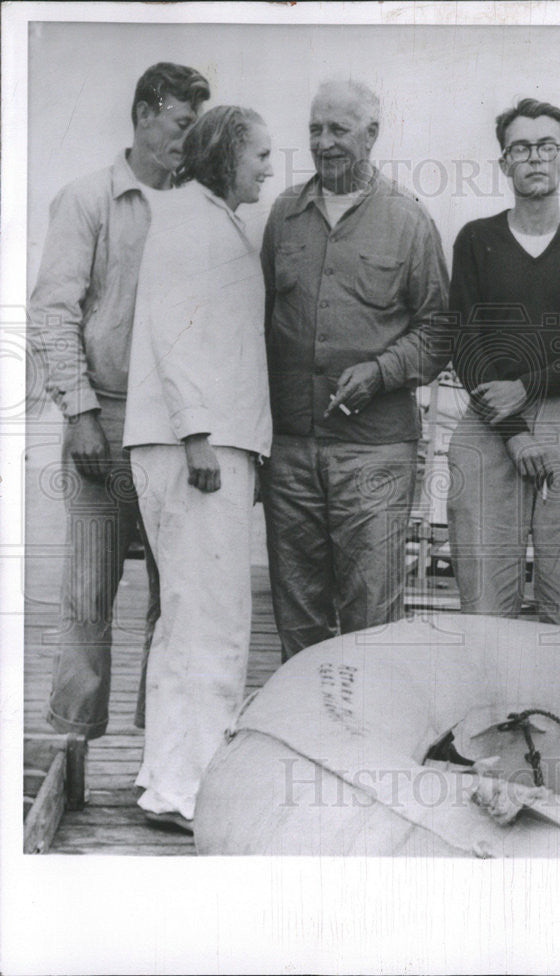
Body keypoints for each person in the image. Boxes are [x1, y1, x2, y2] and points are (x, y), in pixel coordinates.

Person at [29, 62, 210, 740]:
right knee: (87, 597)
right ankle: (71, 747)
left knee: (178, 599)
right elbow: (52, 312)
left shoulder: (200, 208)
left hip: (177, 430)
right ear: (142, 114)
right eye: (181, 125)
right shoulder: (85, 200)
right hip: (101, 419)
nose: (187, 144)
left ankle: (160, 756)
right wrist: (78, 414)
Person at [259, 79, 450, 659]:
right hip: (291, 452)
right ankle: (311, 742)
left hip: (375, 454)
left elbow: (439, 330)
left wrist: (382, 372)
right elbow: (260, 323)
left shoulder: (409, 221)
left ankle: (369, 744)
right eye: (315, 129)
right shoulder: (284, 214)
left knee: (372, 622)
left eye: (338, 129)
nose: (324, 142)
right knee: (297, 619)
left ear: (372, 134)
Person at [122, 105, 274, 829]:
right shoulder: (189, 219)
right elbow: (172, 333)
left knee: (186, 621)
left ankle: (165, 780)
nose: (268, 170)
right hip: (195, 450)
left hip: (206, 444)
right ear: (224, 156)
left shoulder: (210, 217)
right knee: (212, 624)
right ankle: (195, 793)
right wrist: (198, 435)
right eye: (259, 157)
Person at [447, 98, 560, 627]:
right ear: (505, 163)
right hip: (491, 423)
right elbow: (466, 343)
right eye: (521, 147)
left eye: (548, 146)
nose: (535, 158)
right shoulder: (477, 240)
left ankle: (557, 708)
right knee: (483, 607)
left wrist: (526, 387)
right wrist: (515, 430)